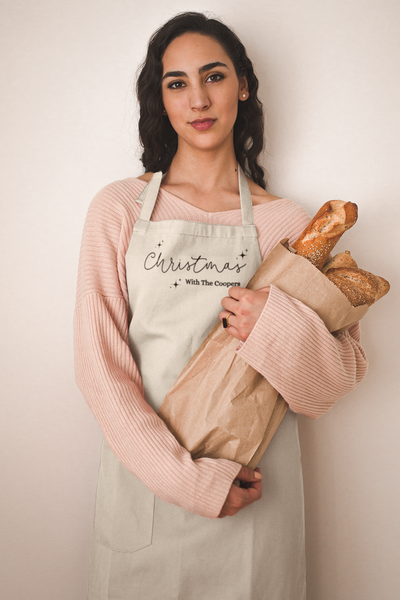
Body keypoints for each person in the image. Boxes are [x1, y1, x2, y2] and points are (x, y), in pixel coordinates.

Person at [74, 12, 368, 599]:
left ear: (243, 86)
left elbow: (332, 385)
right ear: (160, 99)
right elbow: (98, 367)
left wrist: (274, 324)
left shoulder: (291, 226)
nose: (199, 98)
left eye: (214, 76)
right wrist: (190, 482)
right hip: (149, 496)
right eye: (177, 83)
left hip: (256, 502)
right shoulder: (121, 209)